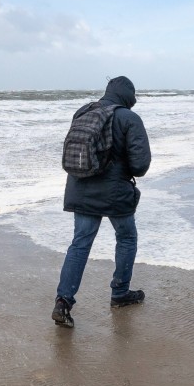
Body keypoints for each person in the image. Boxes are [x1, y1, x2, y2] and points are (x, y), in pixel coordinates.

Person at [53, 76, 151, 328]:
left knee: (80, 244)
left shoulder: (84, 112)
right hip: (115, 193)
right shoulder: (129, 118)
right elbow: (140, 166)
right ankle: (120, 293)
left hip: (80, 187)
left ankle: (63, 302)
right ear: (128, 96)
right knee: (127, 237)